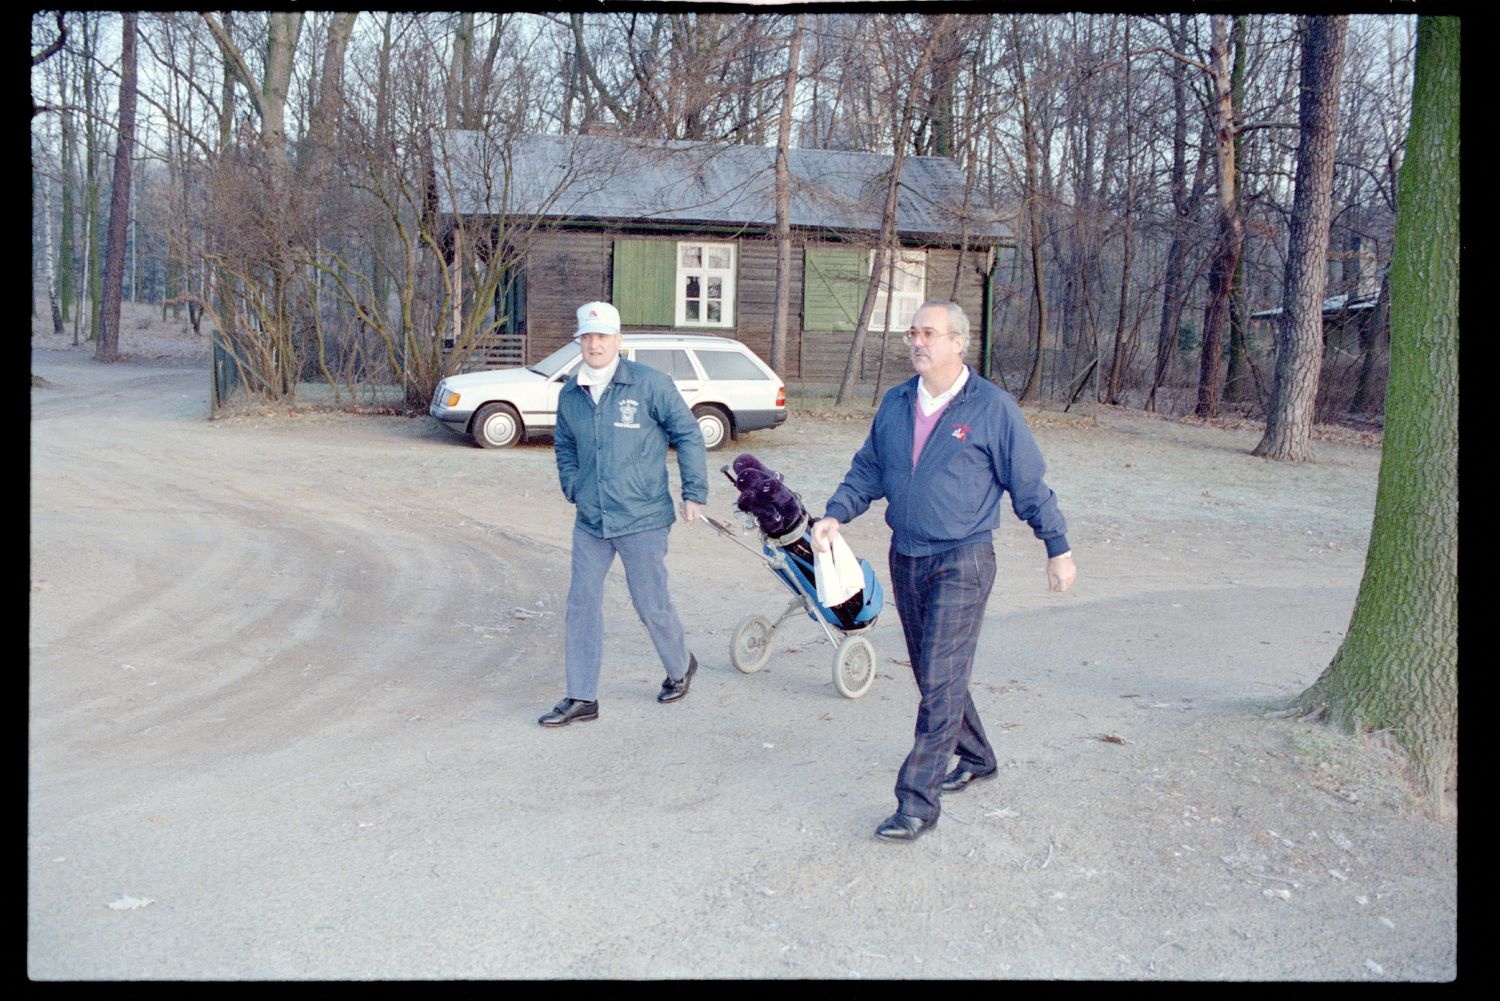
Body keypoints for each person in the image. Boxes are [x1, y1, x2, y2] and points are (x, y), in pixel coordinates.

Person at [811, 299, 1076, 841]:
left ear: (959, 341)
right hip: (905, 554)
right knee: (937, 673)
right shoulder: (896, 402)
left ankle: (916, 801)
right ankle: (977, 755)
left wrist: (1058, 547)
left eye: (929, 333)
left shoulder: (992, 409)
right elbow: (870, 467)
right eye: (913, 332)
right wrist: (836, 512)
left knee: (938, 678)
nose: (918, 342)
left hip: (963, 558)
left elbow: (1028, 484)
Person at [539, 301, 709, 727]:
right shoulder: (570, 392)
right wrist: (572, 484)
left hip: (643, 516)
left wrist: (694, 493)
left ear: (618, 340)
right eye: (587, 337)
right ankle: (582, 697)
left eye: (602, 336)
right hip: (592, 520)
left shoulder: (650, 385)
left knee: (650, 603)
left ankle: (679, 666)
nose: (594, 344)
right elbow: (564, 445)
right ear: (579, 341)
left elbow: (688, 435)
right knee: (581, 603)